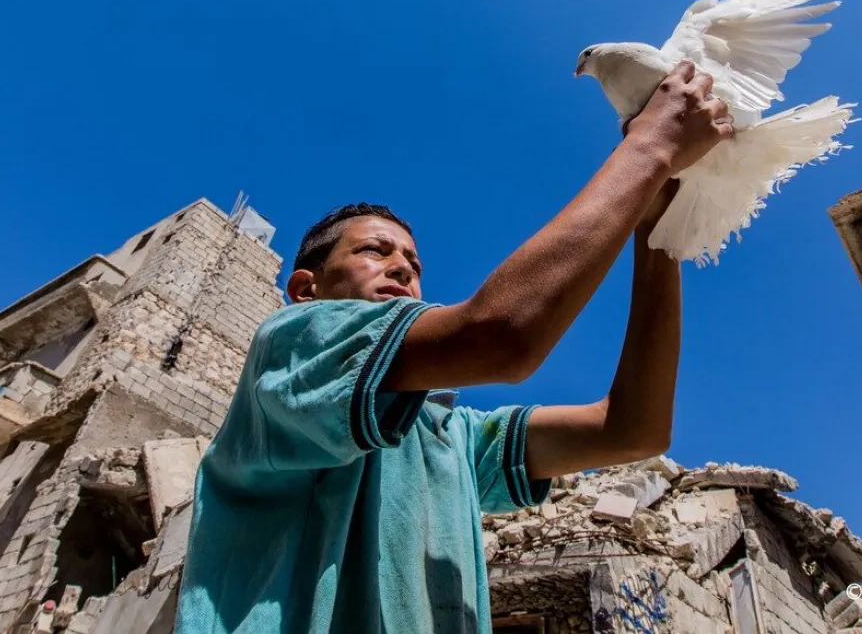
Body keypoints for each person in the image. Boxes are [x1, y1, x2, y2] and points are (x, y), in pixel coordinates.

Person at [176, 61, 733, 633]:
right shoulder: (290, 348)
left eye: (414, 264)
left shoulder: (452, 436)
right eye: (375, 250)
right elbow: (502, 337)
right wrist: (651, 146)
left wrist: (657, 233)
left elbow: (633, 430)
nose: (402, 267)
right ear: (304, 288)